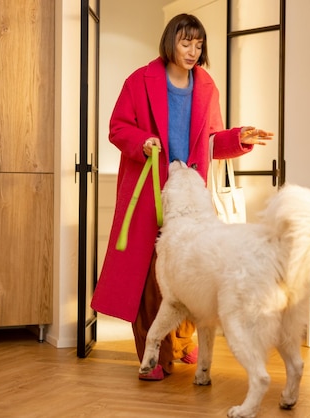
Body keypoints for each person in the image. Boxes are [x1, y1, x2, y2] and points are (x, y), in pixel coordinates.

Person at [91, 13, 272, 381]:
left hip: (190, 194)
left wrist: (240, 138)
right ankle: (153, 357)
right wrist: (142, 141)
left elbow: (212, 140)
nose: (193, 51)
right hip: (148, 189)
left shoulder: (206, 86)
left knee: (193, 267)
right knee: (147, 279)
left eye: (199, 44)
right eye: (186, 42)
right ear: (170, 41)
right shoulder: (138, 81)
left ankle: (185, 341)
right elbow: (117, 127)